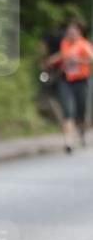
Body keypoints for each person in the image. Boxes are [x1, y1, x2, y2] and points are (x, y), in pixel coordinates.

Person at [42, 18, 93, 153]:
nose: (70, 32)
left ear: (79, 31)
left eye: (73, 29)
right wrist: (50, 61)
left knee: (81, 110)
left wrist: (78, 60)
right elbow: (62, 55)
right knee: (68, 110)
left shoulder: (84, 44)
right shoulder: (65, 43)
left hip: (81, 81)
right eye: (69, 29)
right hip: (66, 80)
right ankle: (68, 142)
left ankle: (82, 130)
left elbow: (91, 58)